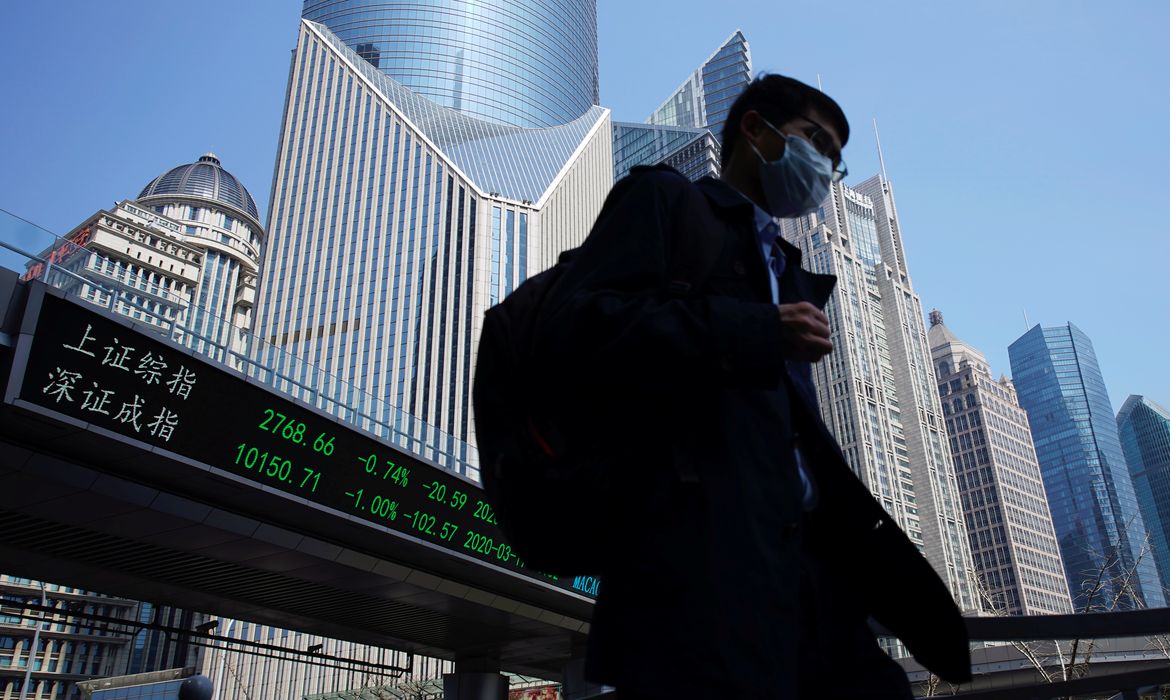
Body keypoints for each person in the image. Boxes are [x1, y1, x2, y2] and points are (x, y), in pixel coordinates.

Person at [534, 74, 971, 698]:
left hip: (807, 573)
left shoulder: (787, 269)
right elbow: (576, 332)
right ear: (755, 129)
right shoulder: (663, 200)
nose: (823, 168)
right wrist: (755, 329)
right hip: (699, 579)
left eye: (836, 162)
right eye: (814, 141)